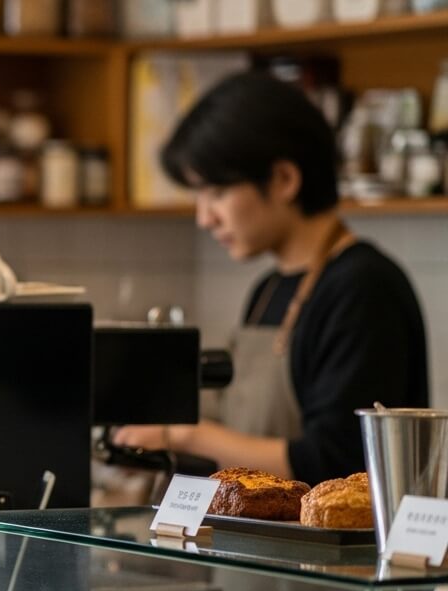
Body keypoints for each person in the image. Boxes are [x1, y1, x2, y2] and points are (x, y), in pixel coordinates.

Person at [114, 72, 428, 486]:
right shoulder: (268, 290)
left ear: (284, 180)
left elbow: (337, 463)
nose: (204, 218)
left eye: (216, 193)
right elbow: (242, 448)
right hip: (257, 528)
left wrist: (187, 435)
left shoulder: (364, 289)